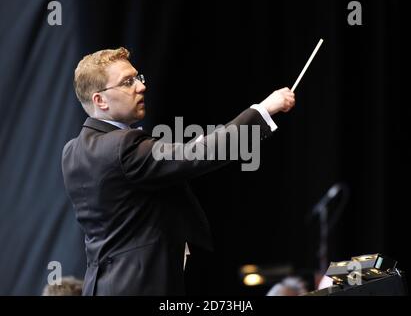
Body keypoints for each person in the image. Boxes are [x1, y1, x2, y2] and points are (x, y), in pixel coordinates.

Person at [62, 47, 295, 295]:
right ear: (100, 100)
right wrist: (263, 110)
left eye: (138, 78)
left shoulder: (72, 151)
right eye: (127, 82)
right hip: (138, 286)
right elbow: (198, 154)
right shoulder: (121, 146)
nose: (141, 87)